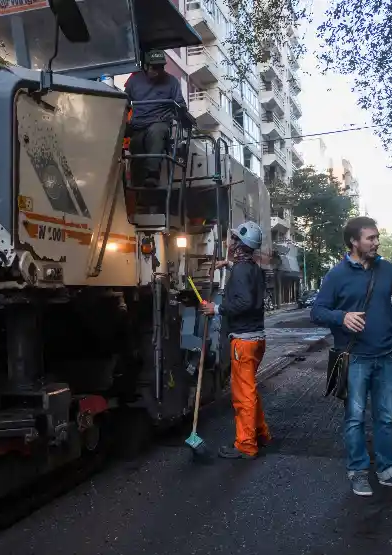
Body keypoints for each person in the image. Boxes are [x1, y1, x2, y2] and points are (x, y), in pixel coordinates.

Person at [310, 216, 392, 496]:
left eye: (376, 237)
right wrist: (342, 317)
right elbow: (317, 312)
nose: (376, 242)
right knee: (355, 417)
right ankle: (358, 471)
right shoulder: (336, 275)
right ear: (353, 242)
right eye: (370, 238)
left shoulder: (388, 270)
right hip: (354, 359)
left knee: (385, 418)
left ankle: (388, 471)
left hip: (386, 357)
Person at [199, 221, 271, 459]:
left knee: (243, 395)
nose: (230, 243)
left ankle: (246, 445)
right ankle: (261, 433)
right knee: (250, 389)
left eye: (233, 240)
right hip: (256, 339)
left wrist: (215, 309)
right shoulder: (251, 268)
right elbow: (246, 284)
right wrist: (228, 265)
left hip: (244, 341)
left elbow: (244, 302)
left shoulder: (241, 271)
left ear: (239, 244)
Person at [123, 50, 183, 190]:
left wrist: (180, 112)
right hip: (138, 125)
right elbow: (124, 102)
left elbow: (180, 105)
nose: (158, 71)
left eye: (161, 67)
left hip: (160, 121)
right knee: (136, 145)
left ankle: (152, 174)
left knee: (157, 131)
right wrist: (124, 123)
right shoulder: (134, 81)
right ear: (145, 66)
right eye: (154, 67)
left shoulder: (172, 82)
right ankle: (137, 189)